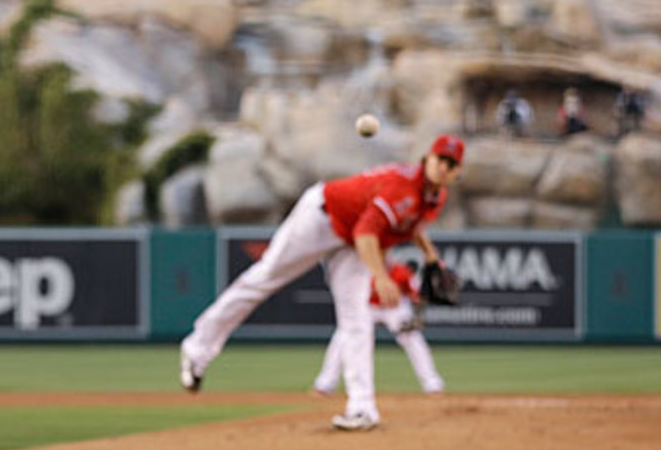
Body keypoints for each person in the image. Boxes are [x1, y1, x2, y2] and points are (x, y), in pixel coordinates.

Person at [179, 134, 464, 431]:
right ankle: (197, 348)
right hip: (321, 218)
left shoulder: (434, 196)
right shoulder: (402, 187)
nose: (444, 167)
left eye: (452, 164)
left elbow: (410, 223)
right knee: (262, 280)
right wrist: (381, 276)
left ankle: (362, 408)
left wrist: (431, 258)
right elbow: (367, 233)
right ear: (427, 158)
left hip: (351, 240)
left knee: (356, 317)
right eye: (441, 159)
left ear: (457, 173)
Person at [311, 261, 444, 397]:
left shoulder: (400, 271)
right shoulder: (360, 271)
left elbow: (417, 297)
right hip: (367, 306)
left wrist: (427, 289)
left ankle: (432, 384)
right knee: (343, 336)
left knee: (412, 338)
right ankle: (325, 384)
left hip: (394, 308)